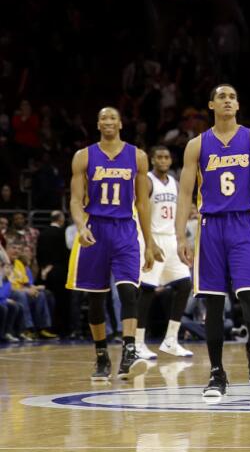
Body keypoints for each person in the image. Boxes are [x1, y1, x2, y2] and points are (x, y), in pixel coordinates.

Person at [176, 85, 250, 399]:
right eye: (222, 97)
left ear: (238, 104)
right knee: (214, 304)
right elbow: (184, 194)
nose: (228, 100)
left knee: (249, 295)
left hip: (244, 222)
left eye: (233, 96)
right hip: (210, 227)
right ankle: (217, 373)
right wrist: (181, 234)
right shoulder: (196, 145)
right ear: (211, 105)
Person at [67, 107, 157, 382]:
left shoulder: (137, 156)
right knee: (96, 298)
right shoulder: (83, 156)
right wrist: (81, 226)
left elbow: (142, 204)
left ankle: (129, 351)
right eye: (103, 118)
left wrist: (150, 242)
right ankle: (102, 355)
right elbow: (75, 199)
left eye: (112, 118)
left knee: (130, 291)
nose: (108, 122)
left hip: (125, 230)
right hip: (95, 228)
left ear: (120, 123)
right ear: (98, 124)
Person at [134, 145, 196, 360]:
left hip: (171, 239)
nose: (162, 160)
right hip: (152, 239)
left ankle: (171, 339)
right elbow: (138, 212)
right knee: (148, 290)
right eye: (158, 157)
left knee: (184, 284)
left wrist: (182, 239)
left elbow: (181, 214)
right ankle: (138, 343)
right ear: (152, 160)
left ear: (171, 161)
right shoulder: (147, 181)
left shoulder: (176, 184)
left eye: (166, 157)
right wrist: (149, 243)